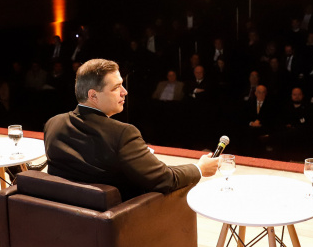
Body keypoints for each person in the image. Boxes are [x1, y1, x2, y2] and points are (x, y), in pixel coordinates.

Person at [44, 59, 219, 200]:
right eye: (116, 87)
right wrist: (199, 168)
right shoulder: (123, 134)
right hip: (123, 223)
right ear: (93, 95)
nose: (124, 92)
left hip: (67, 221)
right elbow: (165, 179)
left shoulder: (53, 124)